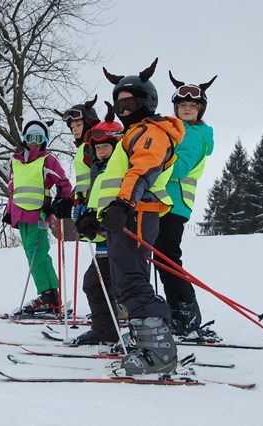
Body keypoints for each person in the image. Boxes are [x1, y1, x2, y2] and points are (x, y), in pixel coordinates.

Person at [78, 58, 185, 376]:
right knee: (124, 282)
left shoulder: (150, 132)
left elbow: (142, 171)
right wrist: (97, 217)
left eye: (131, 103)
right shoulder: (133, 135)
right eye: (119, 104)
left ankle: (159, 351)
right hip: (125, 214)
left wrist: (123, 205)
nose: (124, 110)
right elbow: (112, 183)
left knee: (131, 281)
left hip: (136, 213)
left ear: (147, 101)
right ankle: (146, 341)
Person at [152, 72, 217, 337]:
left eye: (192, 105)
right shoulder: (176, 131)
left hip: (174, 202)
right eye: (182, 105)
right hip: (161, 201)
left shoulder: (194, 135)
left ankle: (186, 312)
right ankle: (176, 310)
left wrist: (151, 158)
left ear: (200, 109)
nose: (187, 109)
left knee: (167, 257)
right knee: (161, 258)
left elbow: (179, 168)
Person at [3, 119, 72, 314]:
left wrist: (58, 202)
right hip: (19, 215)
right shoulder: (15, 161)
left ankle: (50, 295)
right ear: (24, 139)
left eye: (38, 138)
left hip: (39, 215)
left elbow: (64, 184)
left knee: (38, 254)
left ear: (45, 141)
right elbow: (13, 189)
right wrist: (9, 212)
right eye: (30, 137)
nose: (34, 142)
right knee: (30, 254)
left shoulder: (47, 160)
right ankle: (47, 294)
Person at [72, 102, 123, 345]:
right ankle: (106, 330)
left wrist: (99, 219)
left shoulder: (120, 170)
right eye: (98, 148)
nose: (101, 152)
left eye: (106, 147)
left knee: (106, 285)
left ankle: (122, 332)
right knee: (96, 284)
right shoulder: (101, 172)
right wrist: (86, 215)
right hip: (104, 240)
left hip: (120, 239)